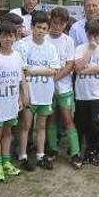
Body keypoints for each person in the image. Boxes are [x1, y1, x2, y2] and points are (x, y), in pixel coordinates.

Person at [15, 11, 60, 171]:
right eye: (38, 27)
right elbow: (21, 71)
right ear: (32, 27)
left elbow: (54, 70)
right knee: (26, 125)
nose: (40, 30)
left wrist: (32, 71)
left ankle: (40, 156)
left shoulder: (51, 47)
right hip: (28, 93)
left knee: (41, 126)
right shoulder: (23, 45)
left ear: (48, 30)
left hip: (45, 93)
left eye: (44, 28)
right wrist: (42, 70)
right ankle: (23, 156)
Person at [44, 7, 83, 169]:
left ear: (65, 24)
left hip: (64, 87)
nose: (56, 26)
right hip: (46, 88)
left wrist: (54, 79)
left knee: (67, 119)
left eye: (60, 24)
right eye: (54, 23)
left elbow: (70, 65)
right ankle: (52, 149)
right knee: (51, 119)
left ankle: (75, 152)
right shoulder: (44, 39)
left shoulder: (68, 41)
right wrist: (49, 82)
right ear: (50, 21)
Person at [0, 23, 26, 181]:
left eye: (11, 35)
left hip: (11, 102)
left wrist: (20, 97)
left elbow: (19, 79)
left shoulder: (17, 56)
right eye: (4, 35)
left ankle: (6, 162)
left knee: (8, 133)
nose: (8, 39)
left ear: (15, 37)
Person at [73, 19, 99, 166]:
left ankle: (93, 151)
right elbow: (77, 66)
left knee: (97, 123)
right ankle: (82, 151)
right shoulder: (79, 49)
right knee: (82, 124)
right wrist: (90, 49)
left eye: (96, 35)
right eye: (91, 34)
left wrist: (83, 69)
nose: (93, 38)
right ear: (86, 33)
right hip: (82, 94)